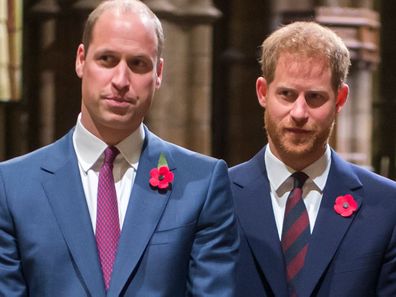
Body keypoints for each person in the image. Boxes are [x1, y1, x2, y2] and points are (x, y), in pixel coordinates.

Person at [0, 1, 239, 296]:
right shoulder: (12, 186)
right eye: (107, 60)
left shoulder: (202, 183)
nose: (121, 81)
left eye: (138, 64)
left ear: (159, 72)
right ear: (80, 60)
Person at [230, 21, 396, 297]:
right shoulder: (218, 196)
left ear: (340, 99)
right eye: (286, 94)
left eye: (315, 97)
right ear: (262, 92)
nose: (298, 112)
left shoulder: (386, 206)